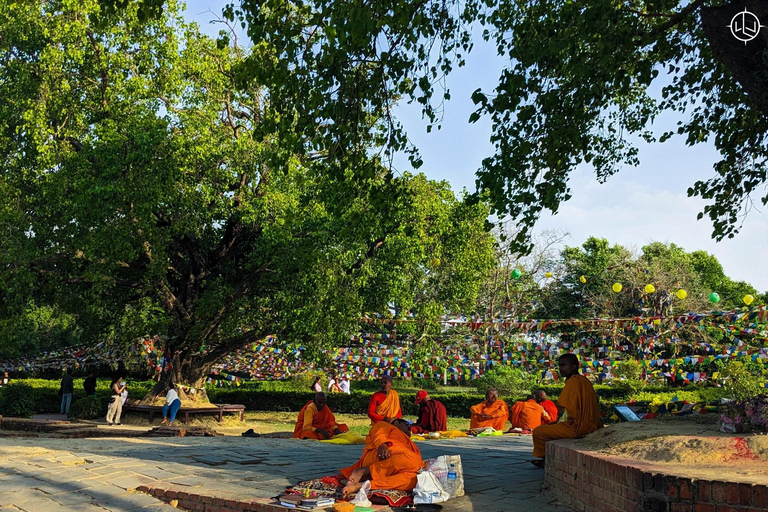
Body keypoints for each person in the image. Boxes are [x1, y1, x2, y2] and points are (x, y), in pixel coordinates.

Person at [531, 354, 603, 466]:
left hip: (577, 427)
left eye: (564, 365)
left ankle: (545, 459)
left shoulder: (573, 381)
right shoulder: (584, 380)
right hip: (592, 424)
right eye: (559, 366)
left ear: (574, 366)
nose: (560, 369)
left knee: (539, 432)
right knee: (549, 427)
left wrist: (563, 423)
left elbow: (570, 410)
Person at [340, 418, 423, 497]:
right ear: (396, 422)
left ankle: (363, 485)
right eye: (408, 426)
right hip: (382, 455)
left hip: (399, 465)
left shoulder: (407, 440)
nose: (410, 430)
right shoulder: (385, 425)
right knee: (412, 460)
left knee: (415, 480)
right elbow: (379, 433)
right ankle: (364, 470)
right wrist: (382, 445)